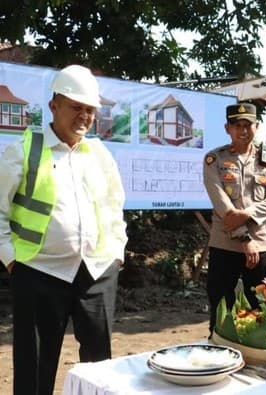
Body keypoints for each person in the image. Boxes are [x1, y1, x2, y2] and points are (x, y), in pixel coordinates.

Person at [0, 65, 128, 395]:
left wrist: (116, 254)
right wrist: (12, 259)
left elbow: (114, 208)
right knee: (34, 366)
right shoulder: (23, 152)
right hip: (40, 272)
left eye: (89, 110)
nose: (84, 116)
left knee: (100, 369)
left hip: (97, 273)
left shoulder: (100, 154)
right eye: (76, 107)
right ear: (54, 106)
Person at [203, 102, 266, 335]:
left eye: (248, 125)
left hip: (260, 244)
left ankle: (259, 353)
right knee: (221, 306)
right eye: (237, 125)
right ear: (227, 128)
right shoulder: (214, 159)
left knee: (260, 305)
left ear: (257, 127)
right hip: (225, 243)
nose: (243, 130)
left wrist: (247, 214)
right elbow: (222, 206)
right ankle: (217, 350)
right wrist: (244, 239)